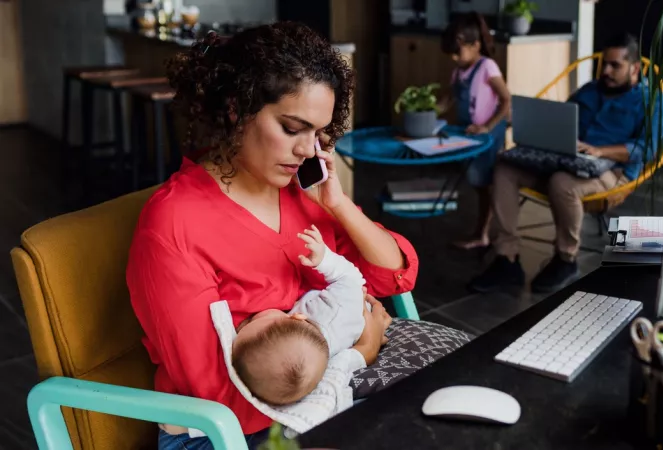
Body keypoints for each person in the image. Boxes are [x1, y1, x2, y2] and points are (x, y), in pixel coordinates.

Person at [126, 23, 419, 450]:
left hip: (314, 398)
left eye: (317, 133)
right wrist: (358, 350)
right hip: (223, 431)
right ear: (234, 109)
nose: (307, 150)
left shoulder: (299, 194)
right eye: (292, 127)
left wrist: (337, 205)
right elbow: (218, 391)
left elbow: (391, 276)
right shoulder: (173, 224)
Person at [469, 32, 663, 294]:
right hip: (566, 160)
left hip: (613, 171)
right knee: (505, 168)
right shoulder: (589, 90)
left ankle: (566, 259)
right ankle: (507, 259)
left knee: (562, 182)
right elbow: (560, 121)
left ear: (635, 68)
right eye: (604, 64)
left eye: (615, 66)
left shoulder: (651, 100)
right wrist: (533, 128)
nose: (605, 71)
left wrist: (600, 151)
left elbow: (648, 148)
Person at [232, 225, 373, 406]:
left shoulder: (309, 354)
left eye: (251, 320)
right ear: (297, 317)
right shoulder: (334, 308)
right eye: (255, 320)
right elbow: (352, 279)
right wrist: (325, 259)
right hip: (357, 303)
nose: (251, 318)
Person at [439, 12, 512, 250]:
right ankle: (482, 231)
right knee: (478, 184)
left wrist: (487, 127)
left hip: (488, 136)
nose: (453, 57)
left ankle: (483, 234)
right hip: (469, 134)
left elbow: (506, 100)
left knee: (485, 184)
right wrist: (427, 111)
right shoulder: (459, 71)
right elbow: (449, 98)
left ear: (475, 45)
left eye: (457, 52)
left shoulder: (487, 67)